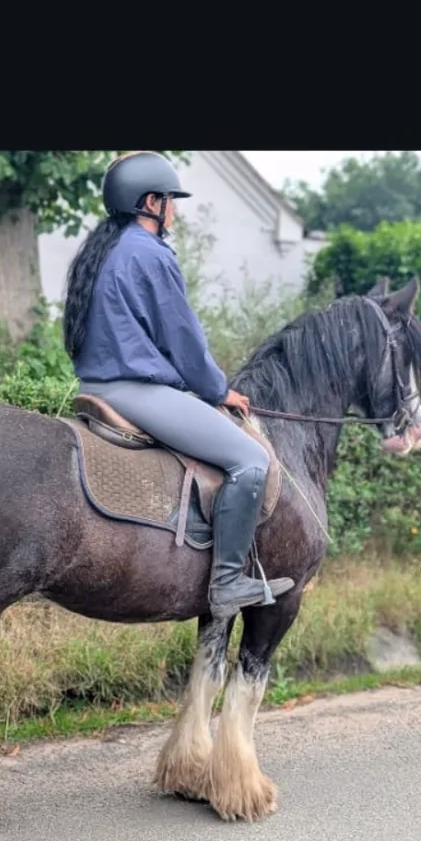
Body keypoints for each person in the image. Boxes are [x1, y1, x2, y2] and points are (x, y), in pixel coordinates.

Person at [63, 151, 294, 617]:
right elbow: (183, 338)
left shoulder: (104, 250)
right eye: (171, 200)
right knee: (250, 460)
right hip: (136, 391)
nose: (175, 211)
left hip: (95, 386)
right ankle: (227, 583)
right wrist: (218, 390)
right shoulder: (149, 253)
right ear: (151, 202)